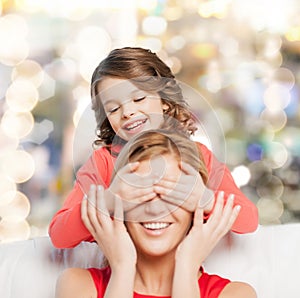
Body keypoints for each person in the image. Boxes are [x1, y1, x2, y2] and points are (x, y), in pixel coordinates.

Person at [49, 47, 258, 249]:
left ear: (165, 100)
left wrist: (205, 199)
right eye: (113, 108)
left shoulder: (198, 155)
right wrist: (108, 201)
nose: (128, 112)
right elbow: (59, 235)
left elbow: (249, 220)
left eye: (139, 98)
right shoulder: (102, 162)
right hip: (122, 278)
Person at [55, 130, 257, 298]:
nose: (154, 209)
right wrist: (122, 268)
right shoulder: (78, 285)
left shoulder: (236, 294)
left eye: (172, 194)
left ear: (198, 208)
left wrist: (186, 268)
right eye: (141, 193)